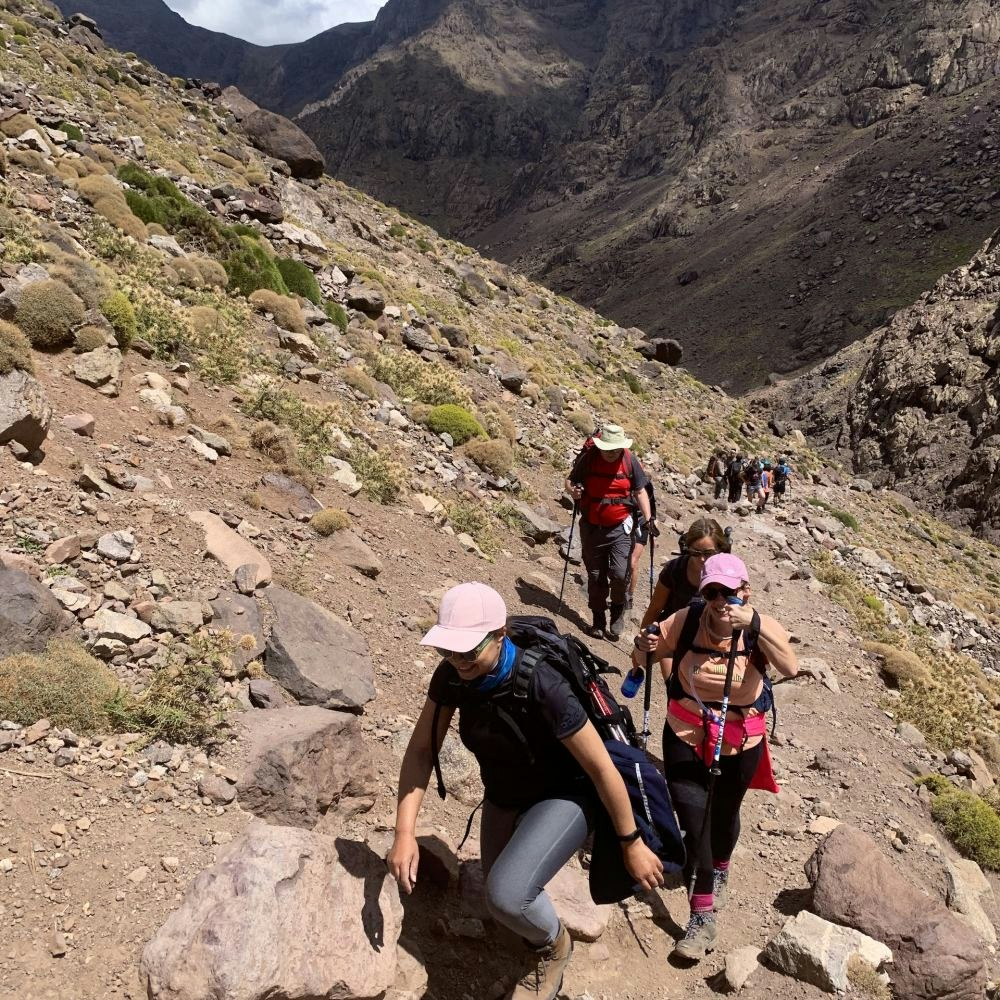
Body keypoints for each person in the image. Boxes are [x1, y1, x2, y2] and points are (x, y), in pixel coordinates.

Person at [389, 582, 664, 1000]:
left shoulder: (544, 685)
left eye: (468, 650)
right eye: (448, 650)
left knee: (507, 895)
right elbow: (423, 749)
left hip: (565, 795)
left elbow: (601, 768)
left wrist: (631, 842)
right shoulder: (453, 677)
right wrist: (404, 833)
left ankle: (555, 946)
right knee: (499, 906)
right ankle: (533, 949)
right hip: (504, 792)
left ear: (499, 635)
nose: (457, 660)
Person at [633, 554, 797, 961]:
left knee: (724, 814)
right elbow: (645, 658)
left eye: (730, 592)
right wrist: (645, 647)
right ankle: (702, 915)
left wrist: (754, 626)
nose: (721, 600)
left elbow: (790, 667)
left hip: (741, 737)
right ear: (703, 593)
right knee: (698, 822)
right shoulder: (687, 620)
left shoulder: (760, 627)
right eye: (712, 592)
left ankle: (720, 865)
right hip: (686, 732)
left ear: (746, 591)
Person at [565, 424, 652, 642]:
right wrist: (572, 490)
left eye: (615, 450)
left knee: (620, 573)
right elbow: (570, 480)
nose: (611, 453)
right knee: (595, 576)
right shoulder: (589, 458)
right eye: (607, 449)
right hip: (592, 526)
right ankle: (597, 620)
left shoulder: (629, 460)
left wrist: (649, 520)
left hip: (620, 526)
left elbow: (640, 490)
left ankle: (618, 610)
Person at [639, 518, 731, 629]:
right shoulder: (674, 570)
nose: (702, 559)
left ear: (719, 549)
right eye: (696, 552)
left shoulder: (729, 574)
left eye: (708, 553)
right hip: (672, 630)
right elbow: (655, 609)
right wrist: (641, 640)